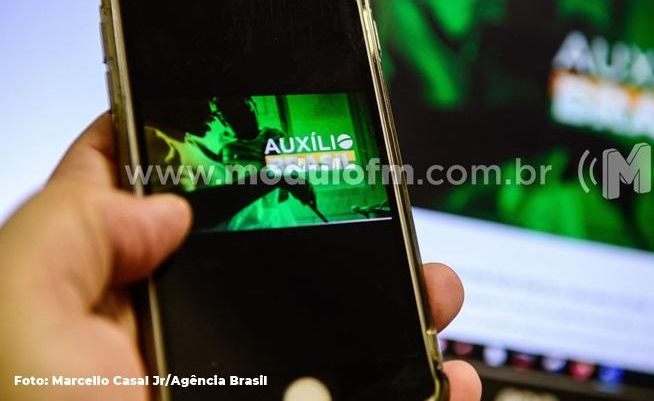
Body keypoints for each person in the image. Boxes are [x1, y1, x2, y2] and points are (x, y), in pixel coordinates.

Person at [0, 113, 481, 401]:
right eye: (224, 110)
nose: (221, 115)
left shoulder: (209, 147)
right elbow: (197, 212)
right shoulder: (170, 145)